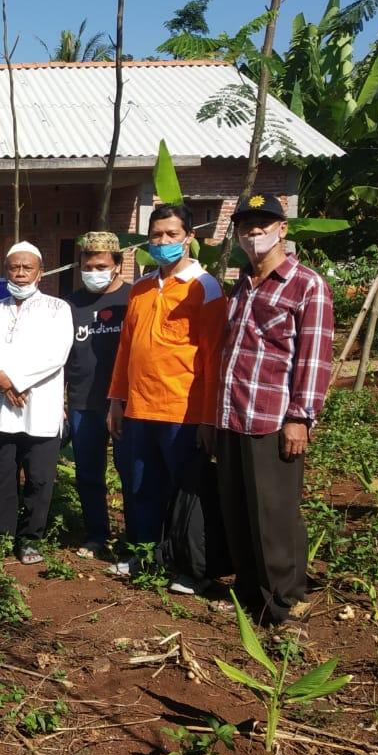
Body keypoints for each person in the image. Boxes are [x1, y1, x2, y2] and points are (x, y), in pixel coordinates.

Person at [216, 193, 333, 630]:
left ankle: (285, 601)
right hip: (231, 414)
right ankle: (251, 594)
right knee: (239, 509)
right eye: (246, 226)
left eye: (264, 224)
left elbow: (314, 358)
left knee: (274, 514)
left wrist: (300, 416)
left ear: (283, 229)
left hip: (272, 418)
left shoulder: (307, 285)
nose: (254, 233)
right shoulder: (242, 283)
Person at [107, 204, 226, 589]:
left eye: (172, 235)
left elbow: (212, 359)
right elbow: (126, 350)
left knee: (186, 492)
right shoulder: (141, 289)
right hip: (139, 407)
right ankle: (143, 554)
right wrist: (116, 400)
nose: (163, 242)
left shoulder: (204, 287)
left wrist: (208, 418)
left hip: (183, 411)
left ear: (188, 237)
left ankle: (189, 566)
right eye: (156, 235)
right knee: (141, 486)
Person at [0, 241, 74, 564]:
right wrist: (1, 380)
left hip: (39, 408)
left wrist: (16, 380)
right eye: (14, 267)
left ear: (40, 273)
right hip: (0, 409)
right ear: (6, 271)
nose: (20, 273)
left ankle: (30, 539)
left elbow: (56, 354)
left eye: (27, 267)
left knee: (39, 479)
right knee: (1, 477)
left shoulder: (58, 309)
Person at [64, 231, 133, 561]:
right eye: (88, 266)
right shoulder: (71, 305)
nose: (94, 271)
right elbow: (61, 355)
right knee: (88, 473)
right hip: (82, 402)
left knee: (131, 471)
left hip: (127, 403)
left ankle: (136, 538)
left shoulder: (134, 300)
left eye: (101, 265)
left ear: (118, 264)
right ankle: (97, 534)